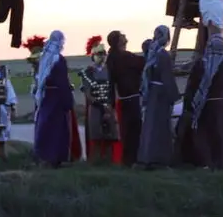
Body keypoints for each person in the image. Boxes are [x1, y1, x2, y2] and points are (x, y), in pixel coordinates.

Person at [185, 33, 223, 169]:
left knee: (206, 134)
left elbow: (192, 85)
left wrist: (189, 104)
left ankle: (207, 162)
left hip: (204, 105)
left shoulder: (201, 64)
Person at [31, 30, 78, 167]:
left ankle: (43, 156)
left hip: (46, 96)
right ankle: (55, 158)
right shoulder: (59, 60)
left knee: (45, 125)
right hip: (57, 97)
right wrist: (68, 100)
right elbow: (62, 81)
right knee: (57, 128)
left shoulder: (44, 57)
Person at [138, 25, 180, 169]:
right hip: (161, 93)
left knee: (150, 125)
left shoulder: (152, 52)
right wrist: (173, 96)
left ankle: (146, 156)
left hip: (152, 93)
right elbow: (167, 77)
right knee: (160, 126)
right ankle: (159, 158)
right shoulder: (163, 54)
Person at [106, 29, 146, 167]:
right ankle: (133, 159)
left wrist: (111, 103)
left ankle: (128, 160)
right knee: (134, 129)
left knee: (126, 130)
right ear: (118, 41)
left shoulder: (112, 58)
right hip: (132, 97)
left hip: (123, 98)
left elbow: (110, 83)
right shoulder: (126, 57)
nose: (125, 36)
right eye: (122, 35)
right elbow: (142, 63)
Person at [79, 35, 121, 165]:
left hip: (109, 105)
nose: (102, 56)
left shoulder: (111, 71)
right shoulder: (87, 72)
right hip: (95, 106)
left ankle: (109, 162)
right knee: (96, 135)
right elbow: (87, 91)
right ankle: (95, 162)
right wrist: (98, 104)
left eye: (103, 53)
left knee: (110, 136)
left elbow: (113, 89)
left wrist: (109, 106)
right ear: (93, 55)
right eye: (99, 54)